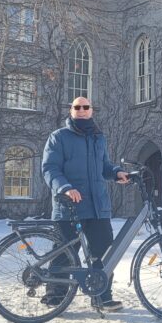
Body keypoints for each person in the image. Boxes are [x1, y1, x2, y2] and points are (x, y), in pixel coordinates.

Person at [41, 96, 130, 311]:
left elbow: (104, 166)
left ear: (91, 111)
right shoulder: (59, 137)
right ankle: (55, 297)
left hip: (98, 207)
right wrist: (65, 187)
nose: (81, 110)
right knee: (64, 253)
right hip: (69, 206)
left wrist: (117, 172)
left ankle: (102, 296)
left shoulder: (99, 138)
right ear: (71, 111)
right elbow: (50, 168)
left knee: (103, 253)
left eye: (85, 107)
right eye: (77, 107)